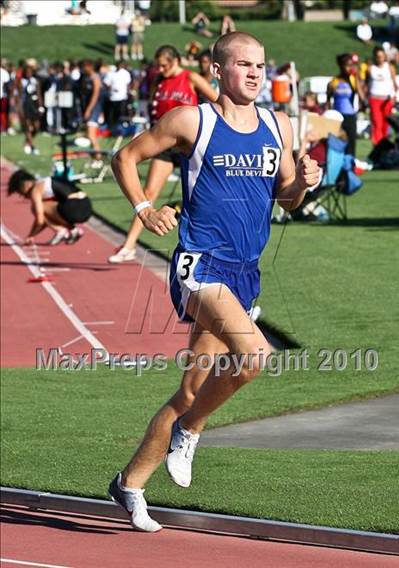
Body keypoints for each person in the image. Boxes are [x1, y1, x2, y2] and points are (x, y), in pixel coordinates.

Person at [108, 31, 321, 531]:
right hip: (199, 264)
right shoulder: (192, 120)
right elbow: (125, 157)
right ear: (218, 69)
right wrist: (143, 206)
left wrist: (306, 182)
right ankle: (191, 430)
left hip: (245, 273)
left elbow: (286, 197)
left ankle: (130, 482)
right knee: (255, 357)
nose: (254, 73)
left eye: (261, 65)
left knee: (191, 389)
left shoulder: (278, 124)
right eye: (243, 64)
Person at [108, 45, 217, 263]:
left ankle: (209, 248)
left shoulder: (191, 77)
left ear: (175, 60)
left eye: (164, 64)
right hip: (165, 144)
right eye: (158, 65)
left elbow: (216, 100)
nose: (161, 68)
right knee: (149, 192)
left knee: (205, 195)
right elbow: (152, 108)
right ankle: (129, 245)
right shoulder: (159, 81)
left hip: (191, 143)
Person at [7, 169, 91, 245]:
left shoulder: (36, 190)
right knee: (43, 207)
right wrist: (32, 235)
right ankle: (72, 230)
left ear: (25, 184)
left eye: (20, 192)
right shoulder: (45, 182)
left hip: (75, 207)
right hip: (86, 207)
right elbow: (46, 219)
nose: (23, 196)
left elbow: (40, 220)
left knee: (35, 208)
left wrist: (30, 235)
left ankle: (61, 231)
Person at [327, 53, 365, 156]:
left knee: (351, 143)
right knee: (337, 143)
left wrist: (356, 78)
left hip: (350, 116)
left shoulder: (353, 81)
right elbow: (328, 101)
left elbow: (362, 97)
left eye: (352, 65)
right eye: (347, 65)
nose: (350, 68)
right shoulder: (334, 82)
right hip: (338, 116)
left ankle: (350, 166)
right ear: (341, 66)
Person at [366, 46, 398, 145]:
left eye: (382, 56)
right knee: (377, 122)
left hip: (387, 99)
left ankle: (384, 142)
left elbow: (394, 83)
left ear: (384, 56)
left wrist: (393, 96)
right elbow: (367, 83)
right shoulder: (371, 68)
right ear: (375, 57)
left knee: (386, 122)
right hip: (375, 98)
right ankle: (377, 143)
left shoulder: (389, 67)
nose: (380, 59)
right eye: (378, 57)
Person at [78, 59, 103, 163]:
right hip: (88, 108)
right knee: (88, 135)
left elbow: (95, 96)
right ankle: (94, 157)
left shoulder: (95, 78)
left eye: (85, 67)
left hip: (94, 109)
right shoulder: (85, 78)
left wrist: (88, 110)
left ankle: (98, 158)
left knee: (92, 135)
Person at [17, 64, 43, 155]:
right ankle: (32, 146)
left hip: (34, 105)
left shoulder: (35, 81)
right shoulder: (22, 81)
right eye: (27, 72)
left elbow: (39, 94)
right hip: (25, 105)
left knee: (36, 127)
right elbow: (20, 96)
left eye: (30, 72)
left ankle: (27, 141)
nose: (28, 74)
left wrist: (41, 106)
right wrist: (19, 108)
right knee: (27, 126)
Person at [103, 61, 132, 129]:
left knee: (121, 114)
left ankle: (120, 128)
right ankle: (111, 127)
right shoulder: (111, 73)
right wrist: (111, 88)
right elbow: (106, 83)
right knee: (111, 114)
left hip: (122, 97)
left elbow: (128, 84)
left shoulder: (125, 73)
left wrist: (128, 92)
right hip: (112, 97)